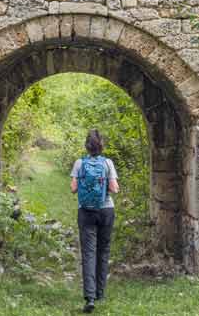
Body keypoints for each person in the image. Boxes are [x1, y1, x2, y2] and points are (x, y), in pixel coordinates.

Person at [70, 129, 119, 313]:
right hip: (106, 210)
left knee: (89, 253)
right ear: (101, 146)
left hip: (86, 212)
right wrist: (112, 185)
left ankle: (89, 297)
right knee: (103, 250)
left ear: (87, 146)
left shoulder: (79, 163)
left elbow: (73, 188)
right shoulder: (107, 163)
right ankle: (100, 291)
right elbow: (114, 189)